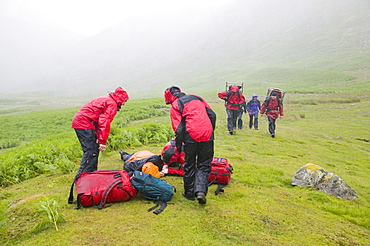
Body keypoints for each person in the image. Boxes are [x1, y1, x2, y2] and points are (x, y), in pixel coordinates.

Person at [164, 86, 216, 204]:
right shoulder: (197, 98)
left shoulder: (176, 104)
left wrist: (178, 145)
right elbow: (212, 115)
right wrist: (210, 130)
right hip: (207, 133)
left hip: (190, 135)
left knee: (189, 164)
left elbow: (178, 128)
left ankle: (189, 193)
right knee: (204, 164)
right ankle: (200, 191)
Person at [72, 87, 129, 177]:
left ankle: (90, 175)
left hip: (83, 122)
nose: (124, 104)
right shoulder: (112, 104)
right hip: (84, 123)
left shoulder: (108, 100)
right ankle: (83, 177)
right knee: (91, 151)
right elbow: (104, 122)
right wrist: (102, 141)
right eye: (124, 101)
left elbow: (99, 121)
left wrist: (99, 137)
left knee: (92, 149)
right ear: (120, 99)